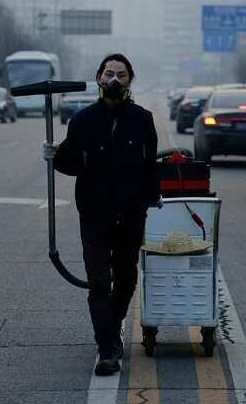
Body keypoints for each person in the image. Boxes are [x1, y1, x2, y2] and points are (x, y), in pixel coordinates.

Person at [43, 53, 160, 376]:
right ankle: (107, 349)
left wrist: (153, 196)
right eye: (109, 73)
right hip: (94, 214)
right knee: (98, 282)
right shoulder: (82, 120)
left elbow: (149, 164)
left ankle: (112, 326)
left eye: (121, 75)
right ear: (98, 78)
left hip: (131, 213)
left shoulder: (142, 119)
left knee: (125, 279)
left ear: (129, 80)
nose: (114, 80)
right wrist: (53, 155)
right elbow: (71, 163)